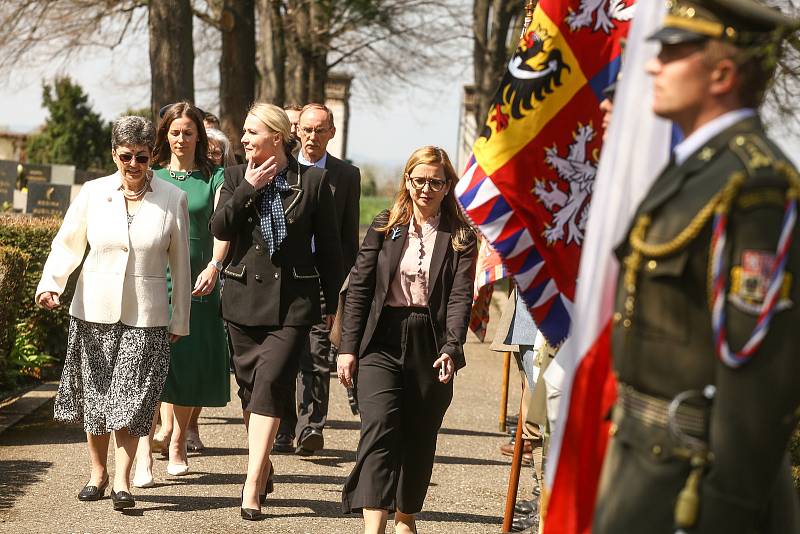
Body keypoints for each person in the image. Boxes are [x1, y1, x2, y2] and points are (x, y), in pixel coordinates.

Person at [593, 1, 800, 532]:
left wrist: (726, 510)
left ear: (723, 74)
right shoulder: (695, 170)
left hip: (696, 481)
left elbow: (758, 376)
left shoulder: (755, 183)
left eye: (674, 52)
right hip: (645, 463)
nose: (652, 65)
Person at [34, 115, 190, 511]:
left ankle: (123, 482)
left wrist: (180, 318)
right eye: (126, 156)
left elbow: (181, 264)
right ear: (113, 153)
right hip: (93, 310)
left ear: (152, 155)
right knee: (97, 398)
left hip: (147, 314)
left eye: (141, 156)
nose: (134, 164)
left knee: (132, 400)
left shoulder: (173, 197)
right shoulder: (93, 191)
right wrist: (51, 283)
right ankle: (97, 474)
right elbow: (68, 244)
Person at [210, 102, 344, 520]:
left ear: (275, 135)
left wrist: (332, 307)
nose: (244, 139)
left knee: (269, 385)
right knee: (250, 392)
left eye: (252, 132)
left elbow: (332, 252)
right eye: (244, 133)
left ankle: (250, 485)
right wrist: (249, 188)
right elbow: (220, 228)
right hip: (242, 302)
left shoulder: (314, 182)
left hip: (293, 305)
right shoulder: (234, 177)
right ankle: (262, 464)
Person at [337, 146, 477, 534]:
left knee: (418, 435)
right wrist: (348, 350)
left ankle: (406, 515)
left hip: (429, 345)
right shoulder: (385, 225)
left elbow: (460, 297)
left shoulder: (460, 236)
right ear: (407, 181)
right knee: (379, 428)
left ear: (448, 186)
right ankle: (374, 527)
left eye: (436, 182)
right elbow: (360, 290)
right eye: (419, 181)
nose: (426, 189)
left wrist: (452, 346)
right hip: (380, 339)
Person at [131, 101, 230, 485]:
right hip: (155, 279)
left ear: (199, 137)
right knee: (147, 369)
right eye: (175, 132)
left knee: (188, 366)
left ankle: (177, 443)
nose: (181, 138)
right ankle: (142, 458)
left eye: (188, 132)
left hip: (198, 281)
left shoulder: (216, 177)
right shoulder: (150, 176)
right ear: (165, 135)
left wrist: (215, 266)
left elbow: (222, 228)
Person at [275, 102, 362, 456]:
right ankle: (282, 428)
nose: (312, 136)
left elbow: (347, 236)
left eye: (319, 130)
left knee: (318, 352)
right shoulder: (282, 170)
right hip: (285, 277)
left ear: (331, 133)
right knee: (285, 355)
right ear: (297, 131)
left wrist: (348, 284)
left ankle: (312, 426)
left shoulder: (346, 176)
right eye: (306, 129)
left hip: (325, 277)